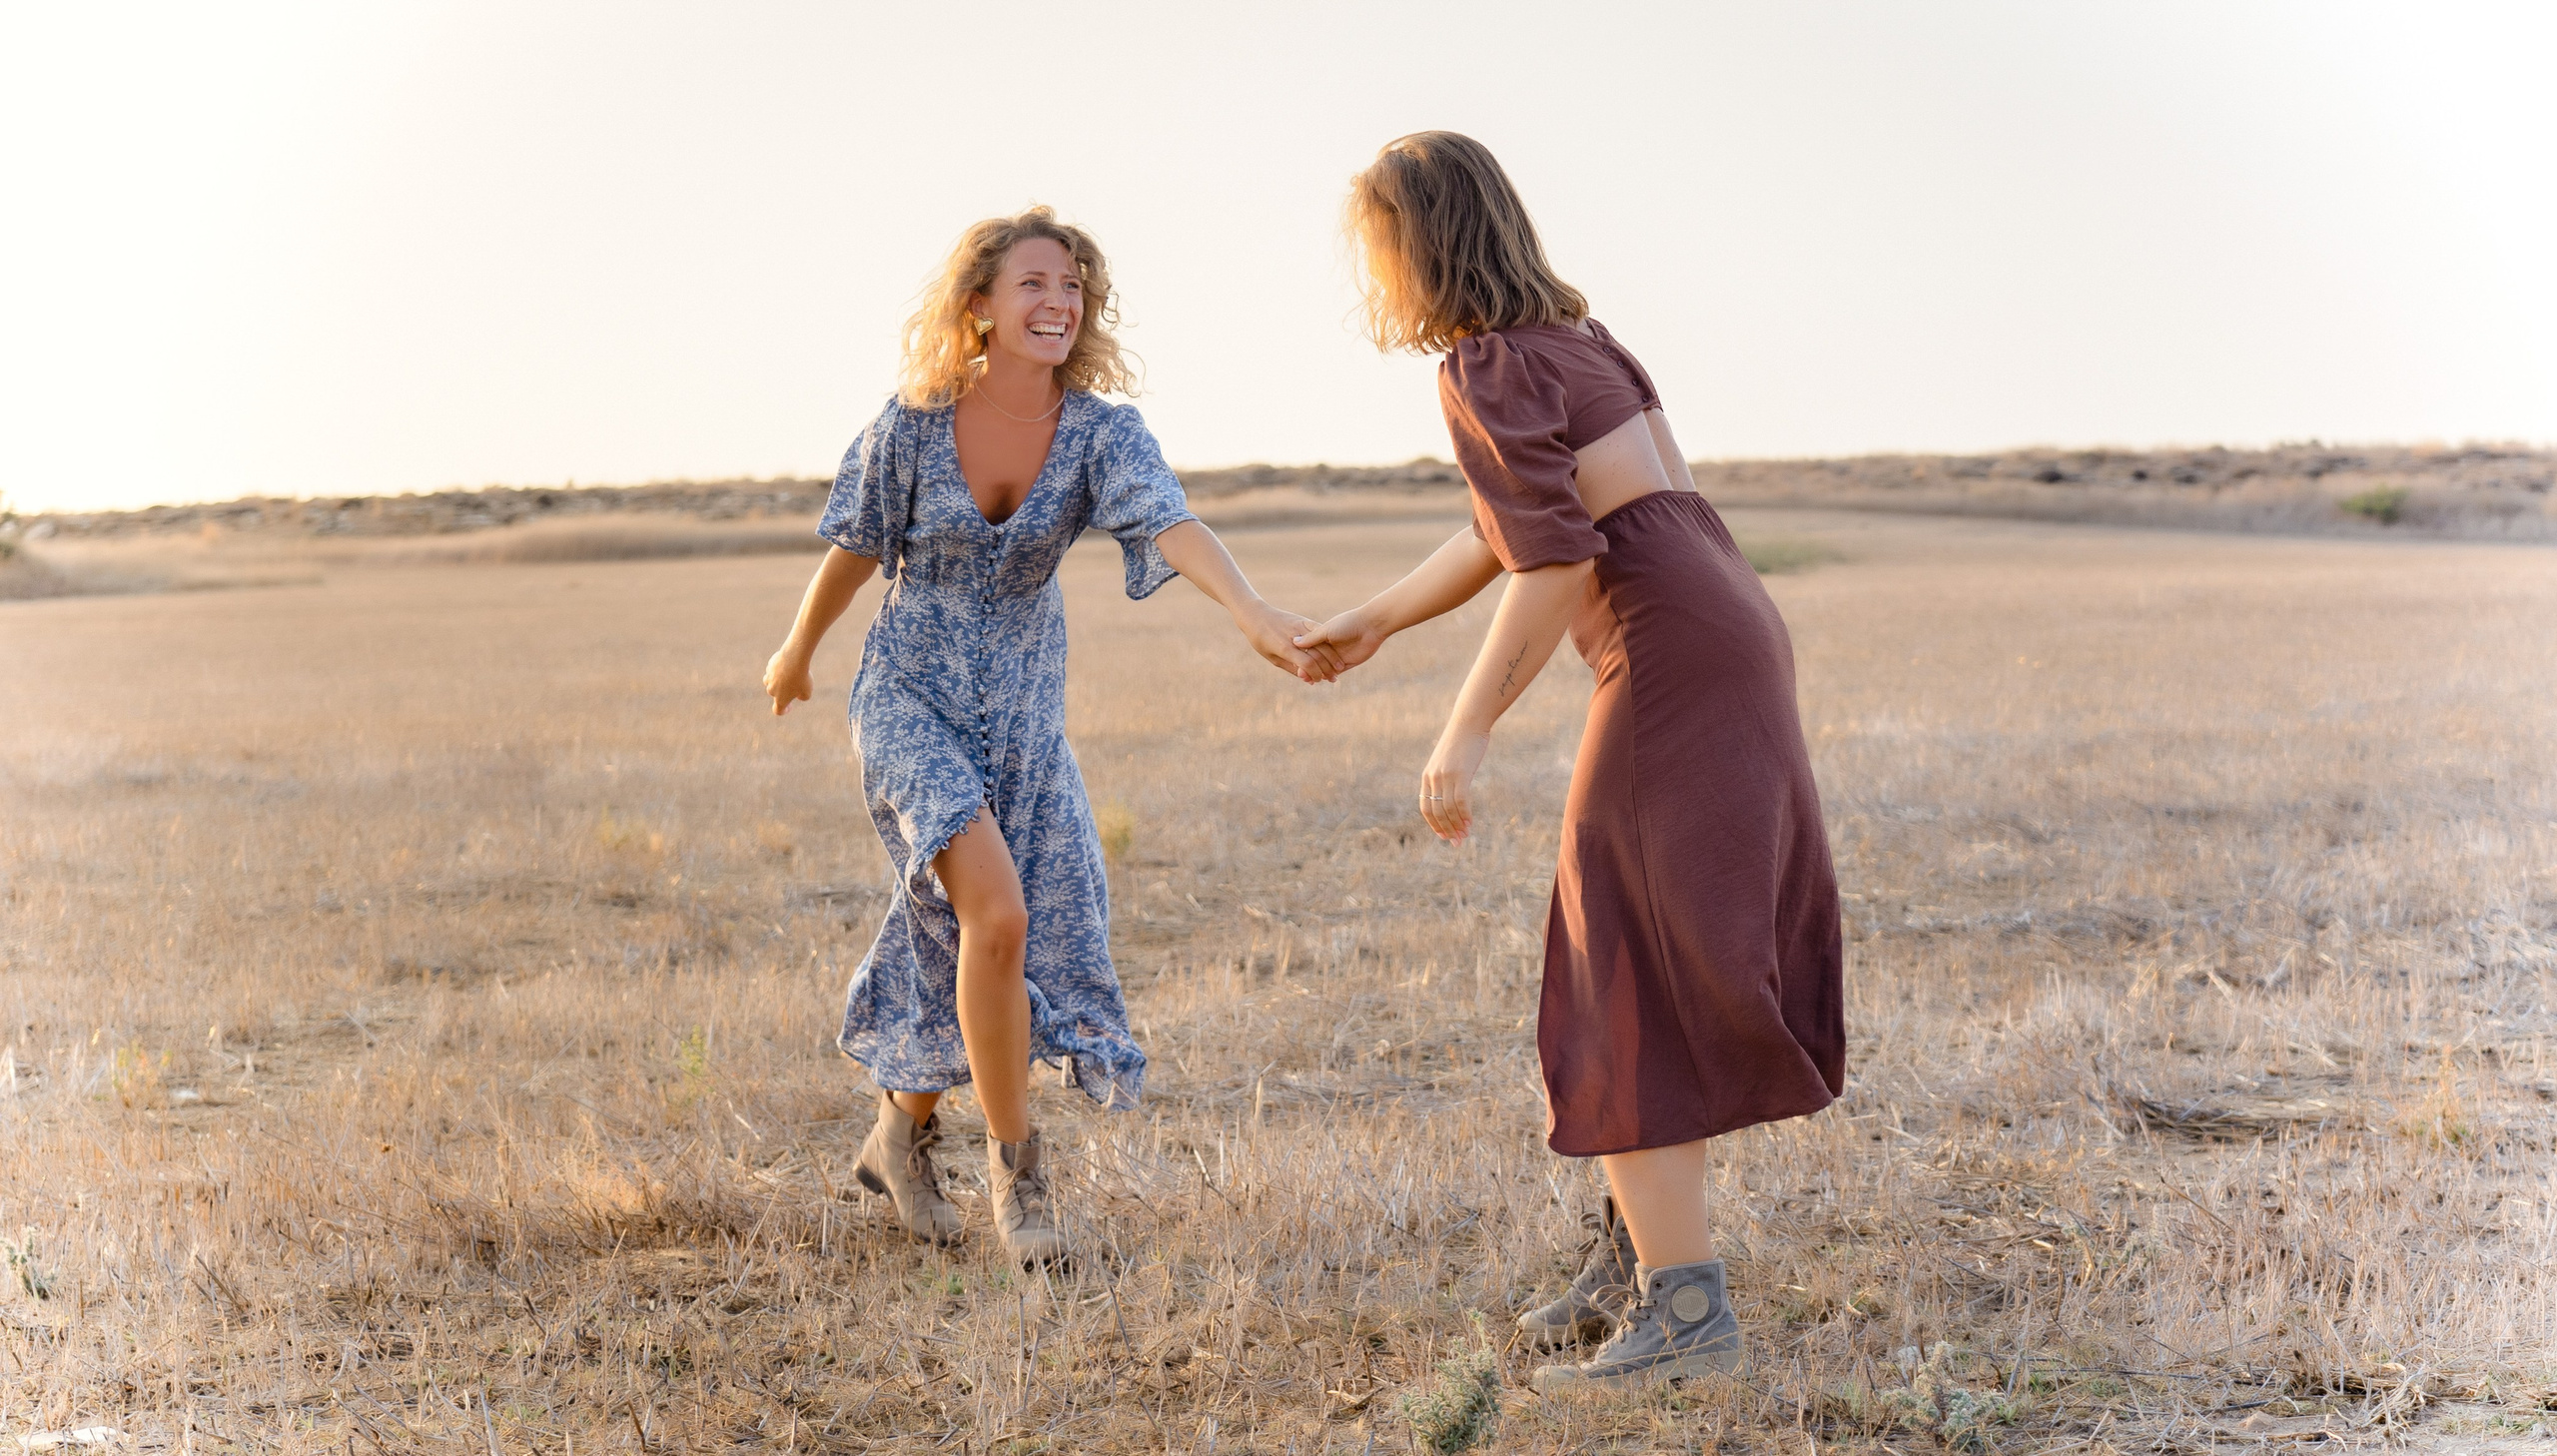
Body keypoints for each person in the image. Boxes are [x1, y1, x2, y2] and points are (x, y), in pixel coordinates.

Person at [1295, 133, 1847, 1390]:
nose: (1366, 272)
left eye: (1370, 246)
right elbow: (1525, 520)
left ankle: (1688, 1317)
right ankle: (1632, 1250)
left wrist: (1464, 729)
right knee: (1644, 944)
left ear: (1414, 244)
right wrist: (1379, 616)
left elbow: (1554, 562)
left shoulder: (1482, 361)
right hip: (1734, 629)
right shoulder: (1581, 343)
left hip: (1664, 656)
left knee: (1626, 960)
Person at [764, 207, 1336, 1264]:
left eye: (1072, 286)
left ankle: (901, 1132)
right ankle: (1019, 1185)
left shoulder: (1101, 435)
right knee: (996, 914)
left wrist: (1254, 613)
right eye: (1033, 283)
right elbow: (853, 545)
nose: (1057, 302)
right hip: (909, 698)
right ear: (977, 304)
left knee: (975, 933)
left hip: (1024, 718)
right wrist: (798, 650)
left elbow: (1171, 523)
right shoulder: (911, 424)